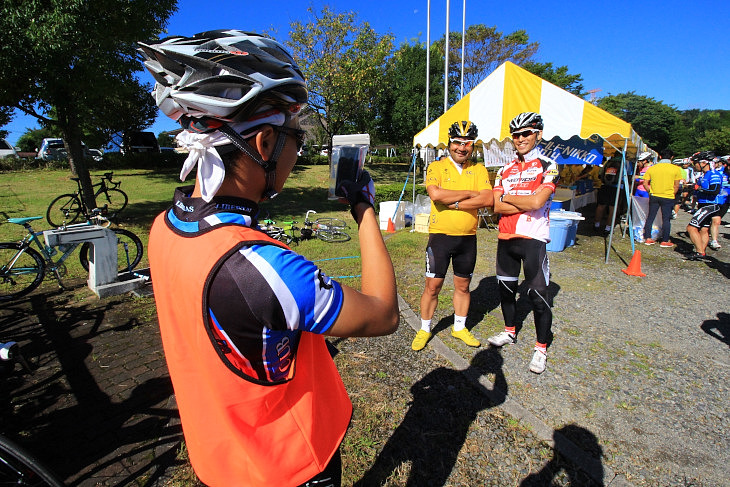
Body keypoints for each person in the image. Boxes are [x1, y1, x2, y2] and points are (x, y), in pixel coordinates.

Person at [139, 30, 399, 487]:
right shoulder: (264, 269)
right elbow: (384, 313)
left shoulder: (163, 226)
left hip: (217, 454)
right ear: (263, 143)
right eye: (295, 138)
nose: (297, 154)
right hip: (289, 461)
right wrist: (364, 212)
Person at [487, 112, 559, 374]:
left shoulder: (548, 165)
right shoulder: (504, 170)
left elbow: (538, 203)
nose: (520, 139)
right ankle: (509, 331)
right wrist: (522, 199)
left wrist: (510, 197)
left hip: (533, 239)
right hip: (506, 237)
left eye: (526, 133)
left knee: (539, 297)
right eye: (516, 135)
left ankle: (541, 348)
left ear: (538, 134)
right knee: (506, 290)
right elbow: (496, 206)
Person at [411, 121, 494, 351]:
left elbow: (487, 199)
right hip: (441, 237)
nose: (461, 147)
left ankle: (459, 327)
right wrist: (469, 193)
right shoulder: (436, 167)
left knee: (463, 286)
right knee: (432, 286)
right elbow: (436, 194)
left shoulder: (478, 169)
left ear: (473, 146)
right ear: (449, 143)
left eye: (467, 143)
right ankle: (425, 328)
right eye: (457, 142)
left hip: (467, 238)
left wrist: (454, 203)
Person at [642, 149, 684, 247]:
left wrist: (650, 191)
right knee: (666, 219)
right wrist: (672, 193)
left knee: (650, 217)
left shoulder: (652, 168)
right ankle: (665, 240)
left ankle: (648, 238)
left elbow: (645, 183)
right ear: (672, 157)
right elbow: (677, 185)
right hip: (668, 196)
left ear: (660, 156)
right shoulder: (676, 169)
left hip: (654, 195)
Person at [686, 151, 723, 260]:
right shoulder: (704, 175)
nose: (695, 165)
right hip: (703, 204)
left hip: (710, 204)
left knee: (691, 228)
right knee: (703, 229)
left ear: (703, 163)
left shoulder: (714, 174)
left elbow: (714, 190)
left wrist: (699, 189)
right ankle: (701, 251)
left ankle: (699, 251)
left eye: (696, 163)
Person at [593, 155, 627, 236]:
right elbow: (627, 176)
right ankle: (607, 228)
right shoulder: (625, 163)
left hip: (604, 186)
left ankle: (596, 225)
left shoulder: (607, 162)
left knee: (601, 206)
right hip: (617, 188)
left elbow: (600, 174)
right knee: (613, 209)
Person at [708, 157, 729, 250]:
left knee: (717, 220)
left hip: (728, 200)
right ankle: (714, 240)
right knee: (716, 220)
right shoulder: (719, 172)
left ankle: (708, 232)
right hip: (719, 199)